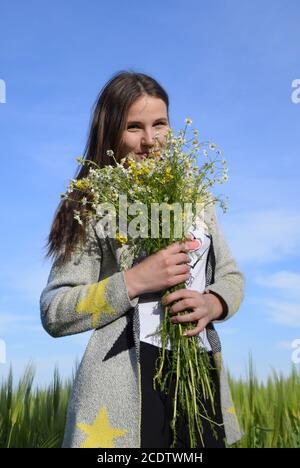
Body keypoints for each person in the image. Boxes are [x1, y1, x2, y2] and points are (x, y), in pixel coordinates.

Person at [40, 70, 245, 448]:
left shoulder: (196, 198)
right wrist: (135, 281)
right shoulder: (92, 205)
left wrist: (212, 303)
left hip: (198, 375)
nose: (150, 141)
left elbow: (231, 276)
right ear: (111, 132)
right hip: (126, 386)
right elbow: (54, 311)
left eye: (160, 124)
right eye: (134, 127)